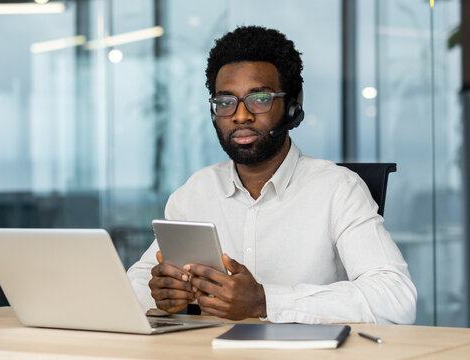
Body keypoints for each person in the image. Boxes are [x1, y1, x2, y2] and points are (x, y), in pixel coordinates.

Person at [127, 25, 417, 324]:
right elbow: (135, 283)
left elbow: (396, 300)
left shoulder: (337, 189)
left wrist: (264, 301)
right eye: (225, 102)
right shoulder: (196, 192)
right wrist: (159, 291)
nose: (241, 115)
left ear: (293, 105)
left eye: (260, 98)